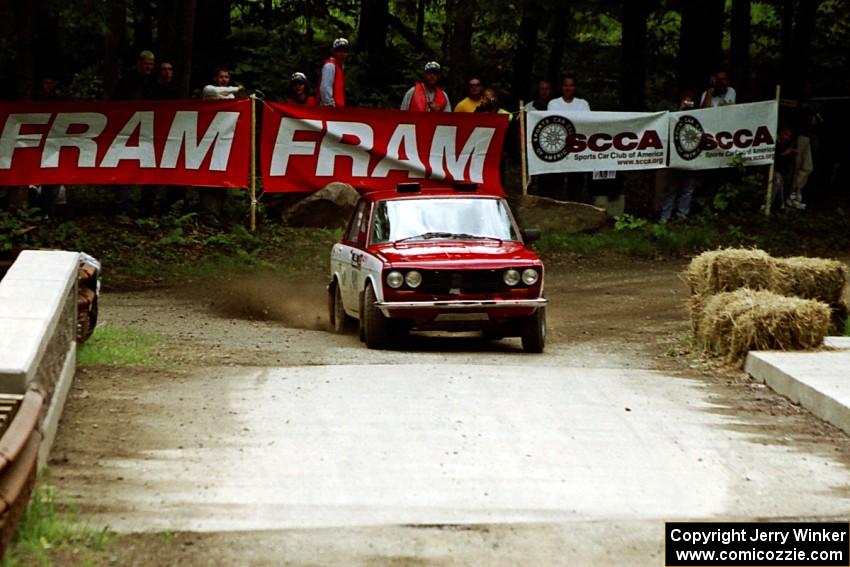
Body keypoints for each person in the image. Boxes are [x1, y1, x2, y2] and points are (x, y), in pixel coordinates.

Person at [112, 50, 156, 221]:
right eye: (146, 64)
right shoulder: (128, 80)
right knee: (127, 167)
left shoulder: (150, 81)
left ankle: (142, 206)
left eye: (151, 65)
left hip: (145, 130)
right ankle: (120, 207)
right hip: (127, 130)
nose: (149, 68)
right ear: (139, 63)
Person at [200, 66, 243, 227]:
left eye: (226, 77)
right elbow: (218, 93)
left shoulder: (231, 96)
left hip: (225, 140)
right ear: (215, 78)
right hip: (208, 139)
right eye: (221, 77)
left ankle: (218, 212)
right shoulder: (209, 90)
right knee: (208, 177)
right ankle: (208, 213)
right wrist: (238, 88)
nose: (224, 80)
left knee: (222, 177)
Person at [661, 91, 699, 223]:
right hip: (674, 154)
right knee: (671, 187)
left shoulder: (696, 111)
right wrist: (681, 109)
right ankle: (665, 217)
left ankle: (682, 217)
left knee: (688, 187)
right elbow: (667, 123)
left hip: (690, 153)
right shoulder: (667, 105)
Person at [318, 38, 349, 107]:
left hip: (338, 108)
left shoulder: (340, 67)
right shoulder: (330, 66)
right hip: (330, 109)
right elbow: (325, 88)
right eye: (339, 51)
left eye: (345, 51)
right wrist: (331, 105)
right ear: (334, 52)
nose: (342, 54)